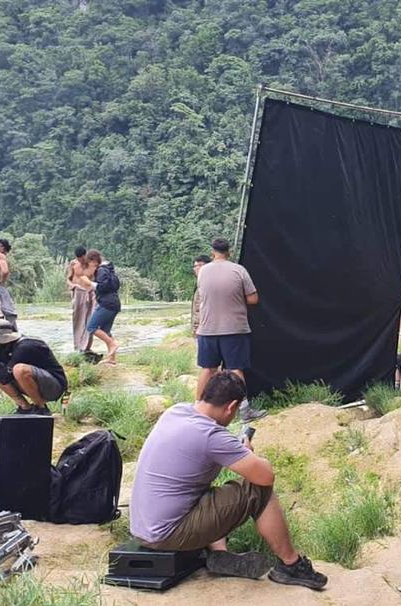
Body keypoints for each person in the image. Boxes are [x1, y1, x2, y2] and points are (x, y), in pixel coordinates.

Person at [130, 371, 328, 590]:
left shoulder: (176, 411)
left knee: (208, 492)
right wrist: (248, 453)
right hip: (167, 534)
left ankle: (219, 554)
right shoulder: (210, 435)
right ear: (231, 406)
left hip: (143, 527)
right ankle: (291, 565)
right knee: (257, 490)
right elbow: (265, 476)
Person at [194, 238, 258, 400]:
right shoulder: (239, 270)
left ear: (212, 252)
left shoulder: (203, 272)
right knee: (235, 370)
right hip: (234, 329)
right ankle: (243, 409)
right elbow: (253, 299)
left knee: (208, 369)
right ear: (229, 252)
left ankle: (198, 406)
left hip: (207, 329)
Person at [0, 319, 67, 415]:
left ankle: (40, 408)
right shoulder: (1, 346)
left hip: (55, 386)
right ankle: (25, 407)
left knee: (19, 370)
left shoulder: (25, 346)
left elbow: (5, 377)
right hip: (36, 385)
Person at [74, 249, 120, 364]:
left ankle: (112, 344)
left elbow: (104, 287)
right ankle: (112, 358)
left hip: (107, 304)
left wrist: (90, 283)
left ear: (93, 262)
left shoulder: (101, 271)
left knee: (91, 327)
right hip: (114, 303)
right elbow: (113, 286)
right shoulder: (108, 270)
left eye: (87, 264)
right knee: (105, 331)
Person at [66, 246, 94, 353]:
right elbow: (68, 280)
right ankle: (77, 346)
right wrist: (73, 286)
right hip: (77, 294)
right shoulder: (73, 264)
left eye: (82, 258)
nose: (80, 261)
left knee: (90, 320)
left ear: (85, 255)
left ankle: (87, 347)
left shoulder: (92, 264)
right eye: (78, 259)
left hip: (90, 295)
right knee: (77, 320)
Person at [190, 255, 211, 336]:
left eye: (199, 265)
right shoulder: (199, 282)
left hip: (206, 330)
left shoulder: (209, 283)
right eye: (195, 266)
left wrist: (198, 327)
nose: (196, 268)